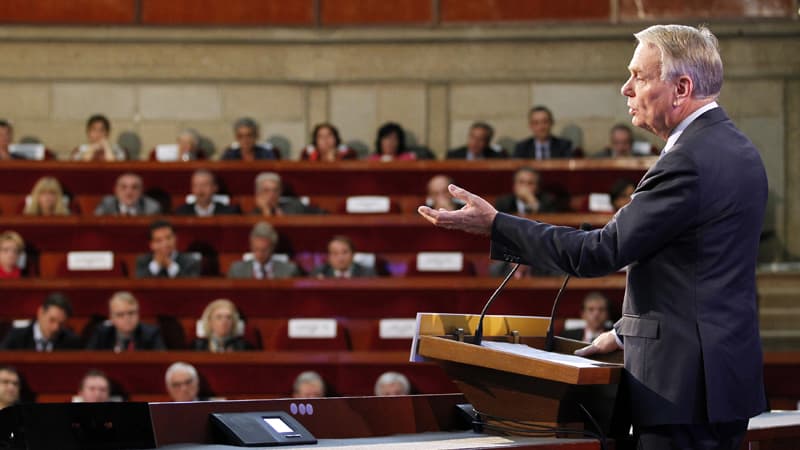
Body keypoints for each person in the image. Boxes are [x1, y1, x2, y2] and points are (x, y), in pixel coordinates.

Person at [418, 25, 766, 449]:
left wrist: (496, 224)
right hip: (720, 381)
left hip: (682, 388)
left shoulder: (688, 160)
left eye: (638, 76)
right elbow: (698, 271)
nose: (626, 88)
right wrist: (623, 334)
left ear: (681, 87)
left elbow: (599, 253)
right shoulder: (739, 149)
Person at [86, 291, 166, 351]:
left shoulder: (151, 334)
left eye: (131, 313)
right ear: (111, 318)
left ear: (138, 314)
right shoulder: (101, 333)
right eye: (120, 314)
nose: (127, 318)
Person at [0, 292, 81, 350]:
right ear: (40, 313)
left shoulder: (71, 342)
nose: (56, 328)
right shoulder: (17, 337)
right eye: (52, 320)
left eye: (61, 323)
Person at [227, 222, 301, 279]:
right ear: (251, 246)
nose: (260, 254)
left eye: (264, 250)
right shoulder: (237, 271)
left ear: (273, 247)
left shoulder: (289, 271)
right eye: (256, 249)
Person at [135, 220, 201, 278]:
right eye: (158, 240)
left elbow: (191, 286)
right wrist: (156, 265)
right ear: (151, 244)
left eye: (168, 238)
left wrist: (170, 266)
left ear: (175, 238)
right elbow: (138, 285)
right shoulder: (142, 261)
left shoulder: (191, 261)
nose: (165, 244)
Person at [173, 169, 240, 216]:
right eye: (196, 185)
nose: (200, 190)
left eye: (205, 185)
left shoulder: (229, 213)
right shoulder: (181, 213)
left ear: (215, 188)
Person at [94, 173, 161, 216]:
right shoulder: (107, 204)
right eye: (123, 187)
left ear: (141, 190)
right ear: (115, 190)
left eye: (134, 187)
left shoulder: (151, 207)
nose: (129, 192)